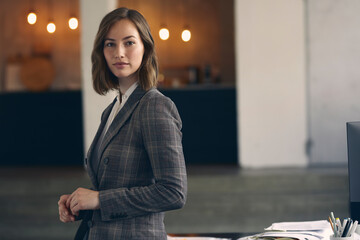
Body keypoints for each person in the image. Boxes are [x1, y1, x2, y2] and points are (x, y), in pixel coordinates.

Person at [57, 7, 187, 240]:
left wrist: (99, 199)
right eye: (110, 44)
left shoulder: (154, 106)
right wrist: (80, 203)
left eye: (129, 43)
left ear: (145, 48)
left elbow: (173, 192)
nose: (119, 52)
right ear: (101, 52)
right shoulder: (112, 110)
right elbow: (112, 185)